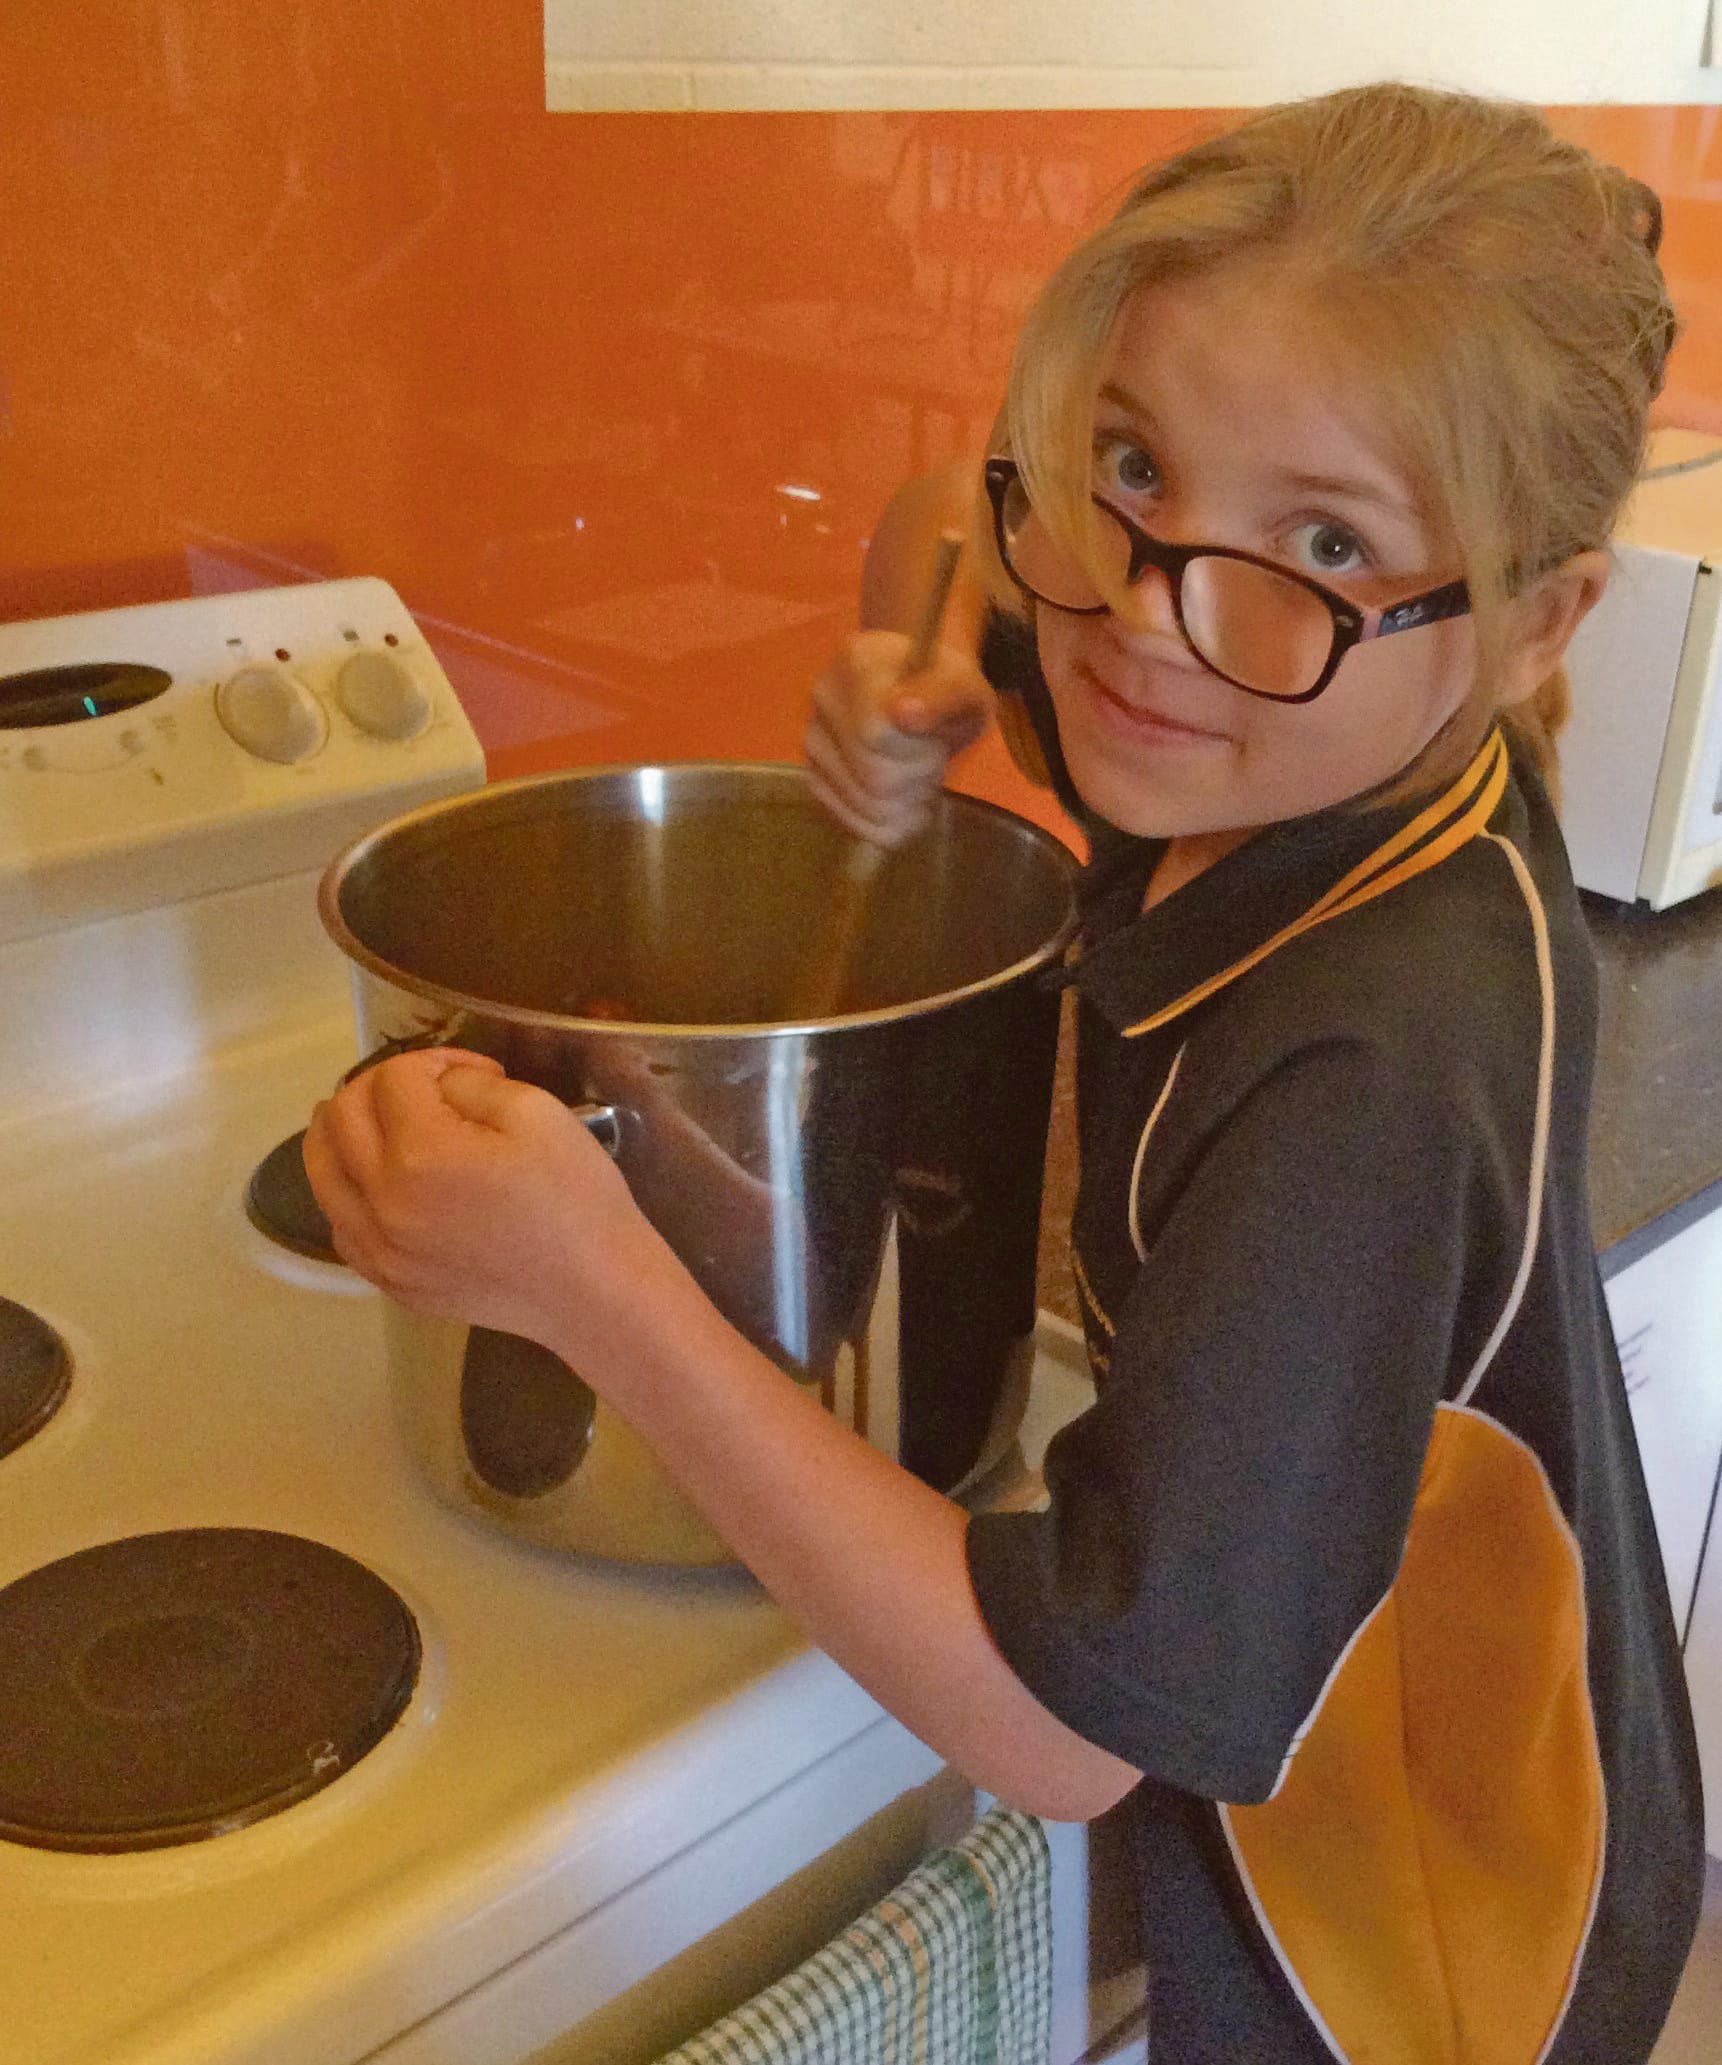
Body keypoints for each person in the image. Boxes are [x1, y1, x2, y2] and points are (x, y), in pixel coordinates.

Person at [304, 82, 1706, 2063]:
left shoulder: (1375, 1071)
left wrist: (590, 1282)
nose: (1143, 619)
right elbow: (944, 531)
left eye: (1321, 534)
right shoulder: (1284, 718)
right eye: (1129, 463)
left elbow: (1062, 1730)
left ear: (1540, 614)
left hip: (1433, 1929)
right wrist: (917, 665)